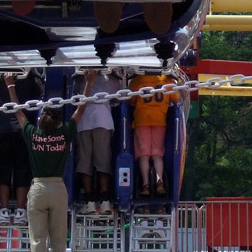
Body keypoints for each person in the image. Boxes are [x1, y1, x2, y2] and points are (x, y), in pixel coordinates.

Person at [5, 69, 95, 252]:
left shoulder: (33, 135)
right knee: (57, 240)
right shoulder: (64, 134)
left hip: (37, 188)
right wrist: (89, 82)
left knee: (38, 240)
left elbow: (18, 113)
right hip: (58, 189)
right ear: (57, 121)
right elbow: (81, 108)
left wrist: (10, 85)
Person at [0, 70, 43, 224]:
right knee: (21, 170)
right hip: (21, 130)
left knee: (5, 170)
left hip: (4, 130)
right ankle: (20, 210)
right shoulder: (32, 81)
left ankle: (5, 209)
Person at [74, 68, 120, 215]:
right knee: (103, 161)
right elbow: (117, 100)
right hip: (103, 120)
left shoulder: (79, 79)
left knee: (85, 161)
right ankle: (105, 200)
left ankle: (89, 201)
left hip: (84, 121)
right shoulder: (112, 80)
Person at [128, 70, 177, 198]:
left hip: (141, 120)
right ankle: (159, 181)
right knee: (157, 154)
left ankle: (145, 185)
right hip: (160, 120)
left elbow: (131, 100)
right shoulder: (166, 80)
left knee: (144, 154)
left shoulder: (138, 81)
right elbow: (176, 98)